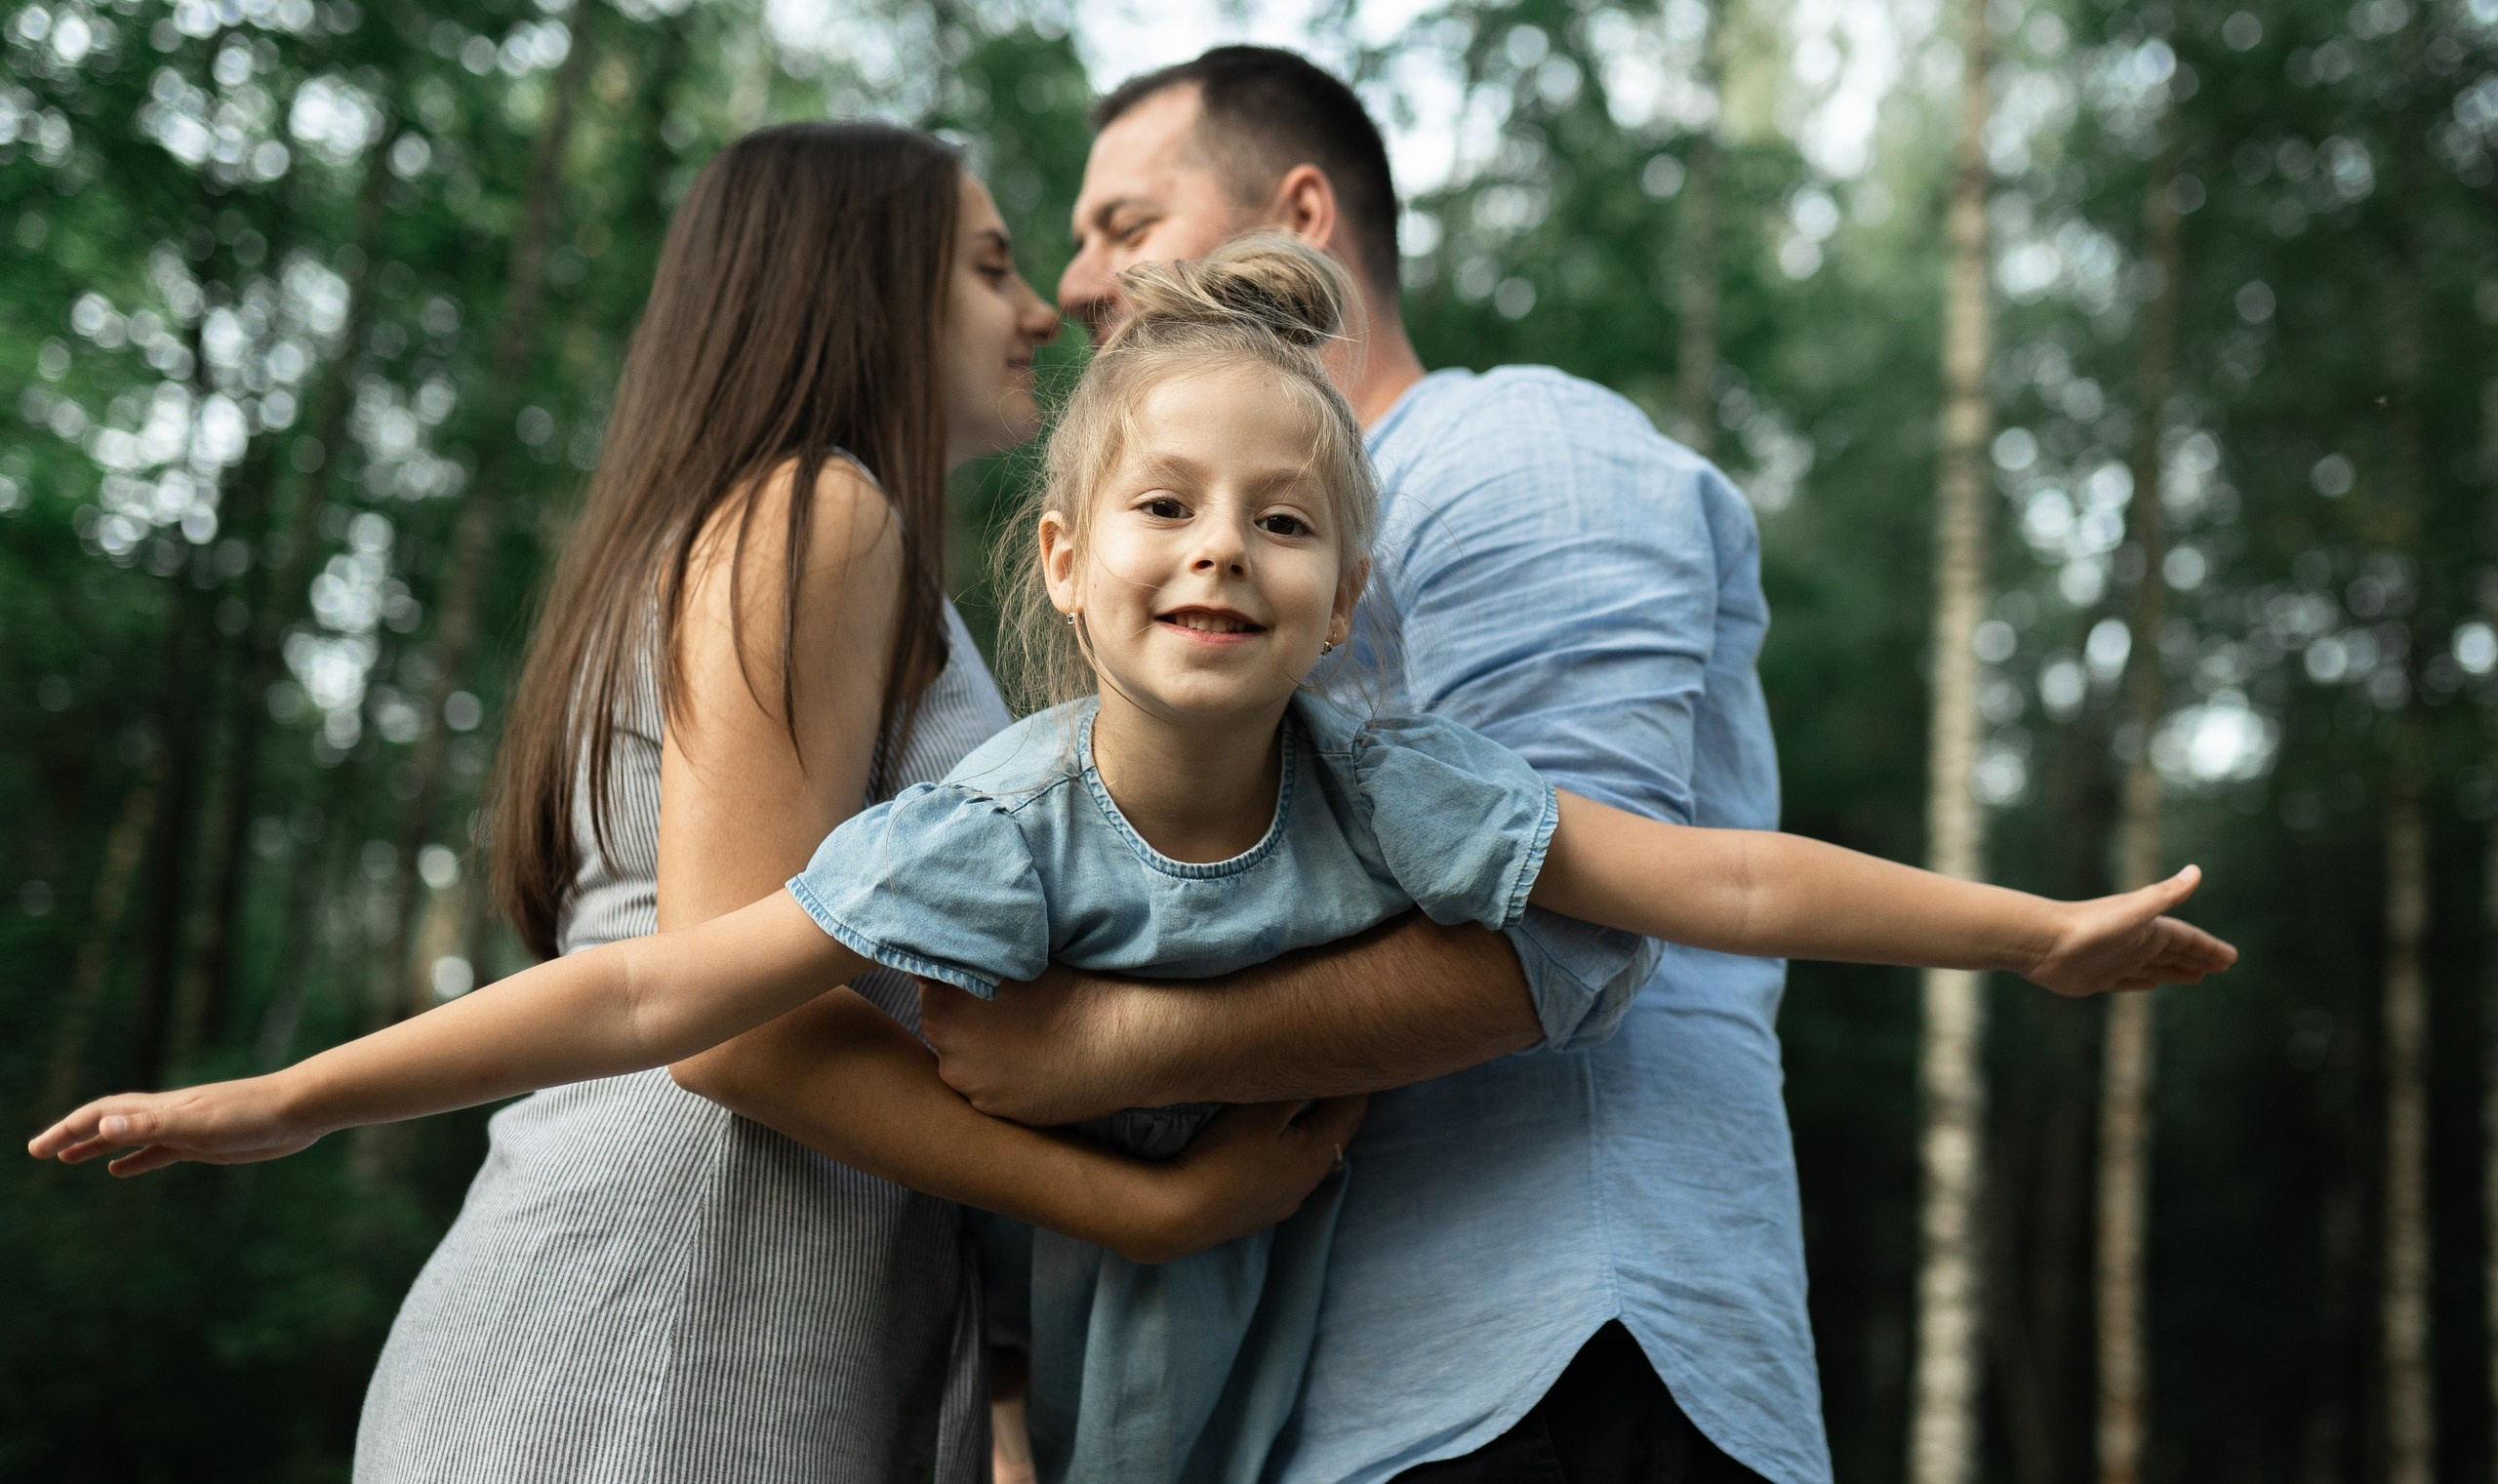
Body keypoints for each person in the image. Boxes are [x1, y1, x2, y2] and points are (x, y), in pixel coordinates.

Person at [33, 237, 2235, 1483]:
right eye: (1167, 510)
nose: (1221, 553)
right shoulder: (992, 830)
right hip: (1094, 1330)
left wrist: (2033, 930)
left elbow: (1714, 882)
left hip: (1310, 1321)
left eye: (1283, 523)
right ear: (1069, 566)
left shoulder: (1396, 784)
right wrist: (287, 1095)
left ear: (1343, 597)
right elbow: (645, 992)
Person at [880, 46, 2115, 1483]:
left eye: (1127, 225)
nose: (1078, 282)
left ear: (1301, 215)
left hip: (1562, 1361)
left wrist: (1103, 1045)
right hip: (1354, 1404)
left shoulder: (1516, 448)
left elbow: (1580, 921)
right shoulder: (1113, 704)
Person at [62, 122, 1350, 1484]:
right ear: (861, 283)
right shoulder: (821, 511)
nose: (1042, 309)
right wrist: (1150, 1209)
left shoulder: (816, 541)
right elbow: (735, 1030)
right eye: (989, 267)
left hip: (719, 1329)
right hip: (652, 1336)